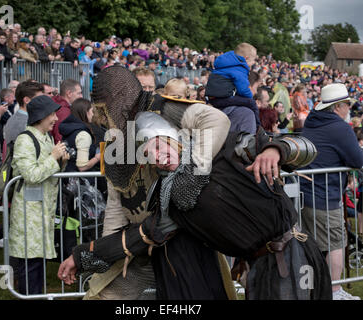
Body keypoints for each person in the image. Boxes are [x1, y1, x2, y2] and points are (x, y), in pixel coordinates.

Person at [58, 65, 332, 300]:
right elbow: (140, 235)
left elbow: (305, 148)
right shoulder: (173, 204)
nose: (159, 158)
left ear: (174, 136)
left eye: (159, 145)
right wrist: (82, 257)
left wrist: (276, 150)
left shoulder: (230, 150)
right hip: (256, 268)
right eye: (148, 155)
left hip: (295, 255)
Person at [300, 83, 363, 300]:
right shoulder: (340, 128)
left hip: (305, 195)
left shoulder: (311, 122)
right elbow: (357, 160)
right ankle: (334, 291)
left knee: (310, 246)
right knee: (336, 243)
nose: (349, 109)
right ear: (337, 107)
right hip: (324, 196)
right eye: (347, 105)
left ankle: (313, 290)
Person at [8, 95, 69, 295]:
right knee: (30, 262)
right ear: (40, 116)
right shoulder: (25, 140)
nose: (55, 119)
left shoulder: (47, 137)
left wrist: (62, 161)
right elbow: (31, 175)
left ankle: (36, 295)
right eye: (51, 114)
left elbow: (48, 171)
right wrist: (54, 157)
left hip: (42, 211)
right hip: (29, 212)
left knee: (38, 260)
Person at [3, 81, 44, 146]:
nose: (42, 102)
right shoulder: (26, 123)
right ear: (27, 100)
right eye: (39, 99)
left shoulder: (14, 119)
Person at [51, 79, 83, 143]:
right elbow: (60, 137)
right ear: (69, 93)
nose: (81, 96)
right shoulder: (64, 111)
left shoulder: (57, 103)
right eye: (79, 93)